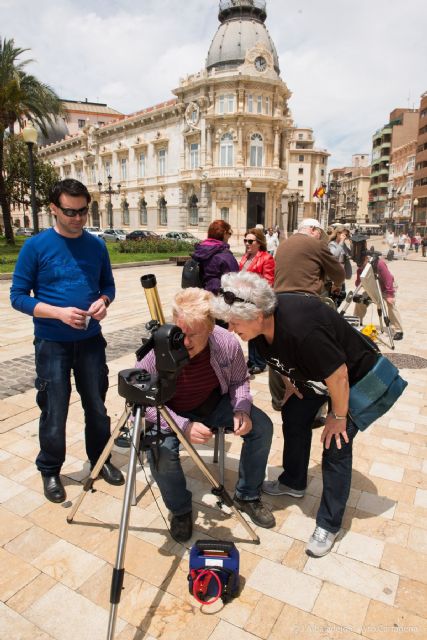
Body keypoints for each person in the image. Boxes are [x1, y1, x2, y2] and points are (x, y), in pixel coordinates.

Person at [212, 271, 378, 557]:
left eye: (234, 322)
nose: (229, 328)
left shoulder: (303, 328)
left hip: (354, 378)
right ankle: (293, 481)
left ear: (257, 314)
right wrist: (291, 382)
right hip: (314, 376)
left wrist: (337, 417)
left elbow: (339, 375)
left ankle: (329, 522)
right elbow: (277, 356)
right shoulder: (258, 330)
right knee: (294, 413)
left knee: (336, 442)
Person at [10, 179, 124, 503]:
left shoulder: (96, 246)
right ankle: (50, 469)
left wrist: (104, 301)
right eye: (69, 212)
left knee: (97, 408)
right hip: (51, 344)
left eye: (83, 211)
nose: (77, 218)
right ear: (53, 209)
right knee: (54, 410)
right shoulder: (36, 247)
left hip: (90, 341)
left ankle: (100, 461)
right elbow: (18, 297)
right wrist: (58, 313)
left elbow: (109, 287)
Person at [135, 287, 275, 542]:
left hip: (211, 402)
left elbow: (238, 381)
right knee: (160, 454)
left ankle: (248, 495)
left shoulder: (225, 342)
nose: (185, 342)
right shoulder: (157, 349)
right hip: (168, 411)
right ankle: (180, 510)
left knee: (262, 427)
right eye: (180, 333)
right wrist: (183, 426)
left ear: (211, 328)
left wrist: (241, 409)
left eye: (193, 334)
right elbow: (141, 403)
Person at [270, 218, 345, 411]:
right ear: (314, 230)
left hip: (278, 302)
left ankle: (279, 399)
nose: (322, 238)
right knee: (313, 351)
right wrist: (334, 283)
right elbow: (338, 274)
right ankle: (309, 401)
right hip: (304, 304)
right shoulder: (315, 244)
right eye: (321, 233)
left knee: (278, 351)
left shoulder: (284, 245)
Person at [239, 228, 275, 375]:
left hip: (257, 300)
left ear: (259, 243)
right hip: (245, 299)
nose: (247, 243)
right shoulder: (245, 257)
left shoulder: (266, 258)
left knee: (258, 332)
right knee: (249, 331)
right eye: (245, 240)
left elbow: (268, 282)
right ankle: (252, 360)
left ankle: (259, 362)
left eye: (250, 241)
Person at [353, 251, 404, 340]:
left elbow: (388, 278)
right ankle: (356, 324)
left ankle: (398, 330)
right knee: (360, 301)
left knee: (390, 304)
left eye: (361, 262)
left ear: (366, 258)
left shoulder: (379, 264)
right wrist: (359, 275)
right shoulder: (360, 268)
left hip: (386, 288)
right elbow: (358, 284)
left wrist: (389, 295)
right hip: (373, 288)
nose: (360, 265)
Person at [192, 219, 239, 294]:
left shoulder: (200, 250)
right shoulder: (224, 255)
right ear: (224, 233)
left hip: (202, 293)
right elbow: (236, 279)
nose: (229, 236)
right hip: (220, 296)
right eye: (229, 233)